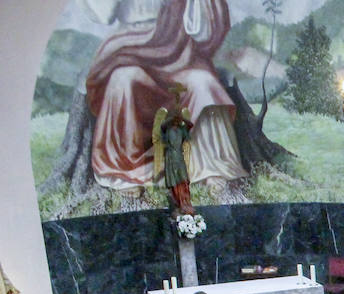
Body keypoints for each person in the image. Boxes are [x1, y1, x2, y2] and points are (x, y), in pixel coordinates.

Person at [84, 0, 247, 195]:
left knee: (202, 82)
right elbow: (104, 14)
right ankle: (127, 171)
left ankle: (213, 167)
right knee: (124, 79)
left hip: (178, 46)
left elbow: (204, 29)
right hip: (128, 46)